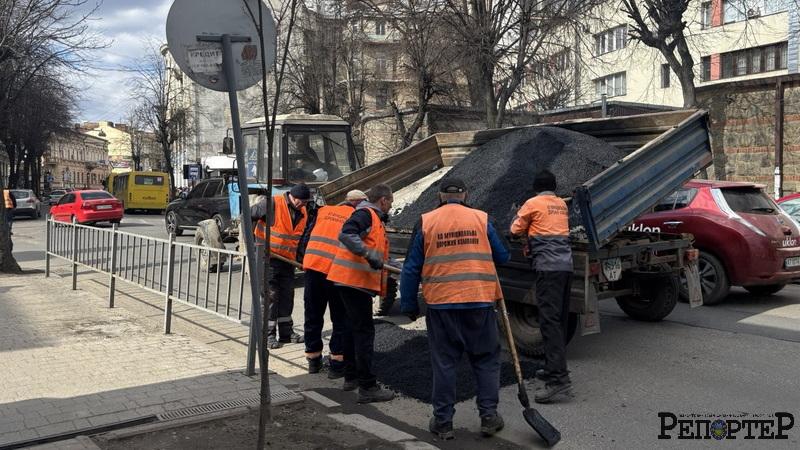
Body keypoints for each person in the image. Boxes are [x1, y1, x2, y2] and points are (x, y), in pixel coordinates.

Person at [399, 178, 510, 440]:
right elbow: (503, 256)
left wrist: (408, 304)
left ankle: (443, 422)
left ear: (439, 196)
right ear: (465, 194)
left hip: (442, 305)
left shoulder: (426, 221)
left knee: (445, 363)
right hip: (479, 303)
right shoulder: (482, 219)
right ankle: (489, 417)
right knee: (485, 360)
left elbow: (411, 267)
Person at [326, 184, 395, 403]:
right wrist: (366, 254)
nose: (391, 207)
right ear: (383, 201)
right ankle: (367, 386)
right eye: (390, 202)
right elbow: (346, 234)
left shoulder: (374, 220)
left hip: (347, 280)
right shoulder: (366, 214)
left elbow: (381, 256)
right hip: (354, 282)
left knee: (351, 328)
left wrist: (405, 270)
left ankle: (351, 377)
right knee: (364, 332)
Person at [510, 170, 573, 403]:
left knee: (549, 322)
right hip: (566, 267)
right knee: (559, 319)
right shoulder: (561, 205)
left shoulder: (532, 203)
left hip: (548, 269)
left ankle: (558, 380)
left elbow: (514, 230)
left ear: (536, 187)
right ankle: (552, 367)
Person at [302, 189, 368, 377]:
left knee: (313, 314)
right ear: (358, 203)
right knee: (340, 317)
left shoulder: (324, 211)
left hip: (313, 267)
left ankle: (313, 361)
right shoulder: (357, 217)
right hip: (336, 271)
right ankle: (336, 364)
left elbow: (306, 236)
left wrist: (303, 260)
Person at [252, 183, 311, 349]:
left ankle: (286, 333)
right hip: (268, 258)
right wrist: (252, 245)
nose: (304, 205)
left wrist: (300, 259)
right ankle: (267, 336)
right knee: (270, 297)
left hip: (287, 261)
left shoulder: (303, 211)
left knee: (287, 296)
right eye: (302, 201)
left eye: (306, 202)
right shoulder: (271, 204)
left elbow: (299, 238)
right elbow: (247, 216)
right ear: (293, 197)